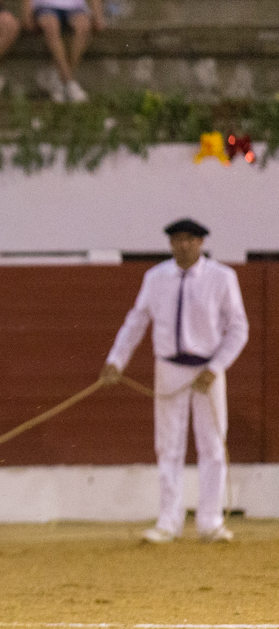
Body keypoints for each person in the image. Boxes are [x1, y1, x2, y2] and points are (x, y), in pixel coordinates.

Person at [101, 219, 249, 544]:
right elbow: (136, 320)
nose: (184, 245)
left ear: (201, 243)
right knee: (168, 445)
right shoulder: (155, 278)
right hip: (169, 367)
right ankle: (169, 521)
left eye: (190, 240)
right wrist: (116, 360)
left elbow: (238, 328)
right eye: (178, 240)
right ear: (170, 244)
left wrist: (217, 365)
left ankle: (209, 522)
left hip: (209, 369)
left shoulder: (223, 277)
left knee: (212, 444)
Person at [22, 0, 104, 102]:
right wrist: (27, 13)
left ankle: (60, 82)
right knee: (51, 25)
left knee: (83, 26)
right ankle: (69, 82)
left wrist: (98, 14)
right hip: (44, 6)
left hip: (75, 7)